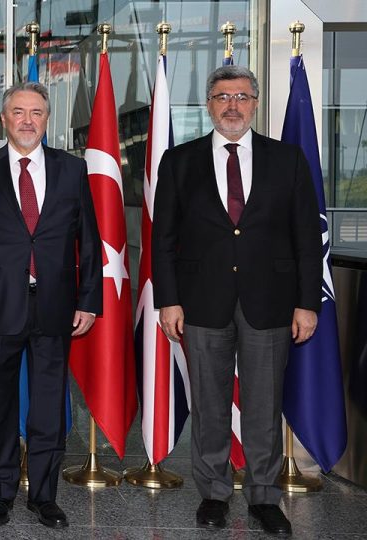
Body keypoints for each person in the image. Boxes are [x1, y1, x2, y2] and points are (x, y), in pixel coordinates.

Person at [152, 65, 321, 537]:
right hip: (201, 302)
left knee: (264, 405)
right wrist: (168, 301)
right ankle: (213, 494)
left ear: (255, 104)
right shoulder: (179, 161)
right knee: (209, 404)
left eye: (242, 97)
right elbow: (162, 239)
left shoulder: (287, 159)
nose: (233, 105)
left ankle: (264, 497)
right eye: (223, 97)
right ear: (209, 104)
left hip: (271, 302)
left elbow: (307, 238)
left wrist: (307, 302)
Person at [0, 81, 101, 529]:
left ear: (47, 119)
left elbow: (90, 241)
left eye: (36, 112)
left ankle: (43, 496)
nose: (28, 120)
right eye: (19, 112)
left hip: (56, 306)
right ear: (4, 119)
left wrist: (89, 300)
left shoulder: (72, 169)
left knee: (49, 405)